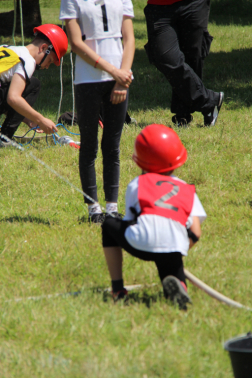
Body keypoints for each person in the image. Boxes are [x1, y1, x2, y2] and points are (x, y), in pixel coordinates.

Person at [102, 124, 207, 310]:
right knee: (169, 265)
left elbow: (130, 221)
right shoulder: (186, 188)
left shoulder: (137, 184)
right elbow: (196, 232)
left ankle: (118, 289)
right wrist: (177, 248)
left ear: (139, 160)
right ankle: (179, 284)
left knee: (108, 224)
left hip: (141, 242)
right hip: (175, 246)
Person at [59, 0, 135, 223]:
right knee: (89, 145)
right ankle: (93, 209)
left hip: (119, 78)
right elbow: (75, 43)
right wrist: (114, 71)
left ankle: (112, 208)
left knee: (112, 145)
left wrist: (122, 78)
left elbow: (129, 39)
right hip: (87, 80)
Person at [143, 0, 224, 127]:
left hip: (194, 3)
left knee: (192, 57)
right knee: (164, 56)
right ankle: (209, 100)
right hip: (158, 6)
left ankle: (183, 115)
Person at [0, 24, 68, 144]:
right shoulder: (27, 60)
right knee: (34, 84)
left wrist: (28, 120)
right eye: (50, 61)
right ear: (43, 48)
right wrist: (40, 119)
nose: (47, 67)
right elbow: (12, 98)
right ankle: (5, 137)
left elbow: (3, 98)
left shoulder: (7, 48)